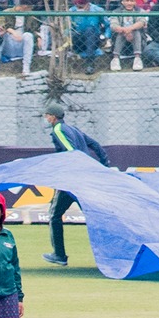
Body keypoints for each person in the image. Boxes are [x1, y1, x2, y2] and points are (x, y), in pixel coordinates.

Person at [43, 102, 110, 265]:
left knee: (54, 215)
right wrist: (105, 163)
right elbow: (94, 144)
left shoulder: (58, 129)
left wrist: (71, 171)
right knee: (94, 216)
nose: (46, 118)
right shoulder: (74, 129)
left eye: (47, 116)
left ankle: (59, 255)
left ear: (52, 117)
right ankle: (110, 255)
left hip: (71, 180)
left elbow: (70, 152)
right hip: (85, 179)